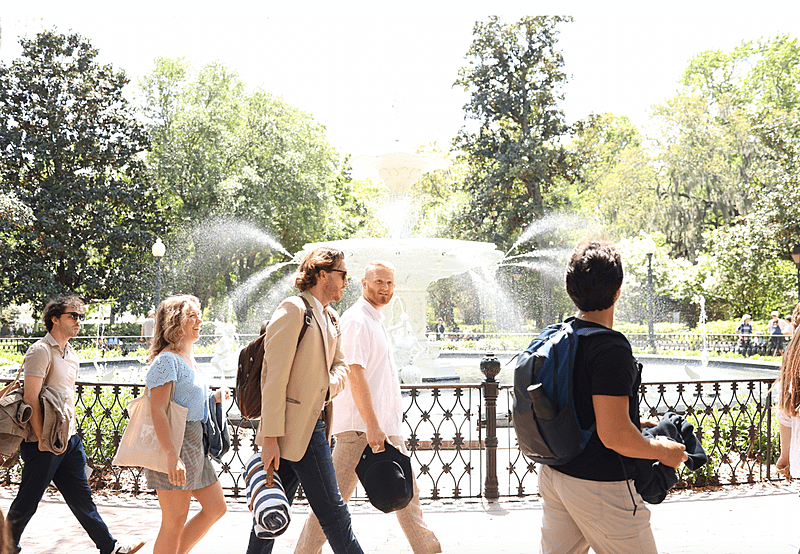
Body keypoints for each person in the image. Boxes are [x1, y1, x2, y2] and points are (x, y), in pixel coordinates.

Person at [538, 241, 687, 554]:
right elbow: (614, 435)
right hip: (600, 484)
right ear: (618, 290)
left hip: (555, 474)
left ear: (570, 288)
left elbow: (583, 408)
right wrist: (663, 451)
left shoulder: (562, 334)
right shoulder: (610, 348)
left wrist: (635, 421)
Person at [295, 261, 441, 554]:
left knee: (407, 500)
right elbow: (355, 372)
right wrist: (373, 427)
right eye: (378, 282)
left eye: (389, 284)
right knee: (331, 506)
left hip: (380, 428)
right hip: (363, 431)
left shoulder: (374, 319)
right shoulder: (357, 320)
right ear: (364, 283)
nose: (384, 289)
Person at [6, 295, 146, 554]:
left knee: (82, 497)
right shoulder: (40, 351)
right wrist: (42, 438)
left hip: (67, 440)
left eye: (80, 316)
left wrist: (65, 437)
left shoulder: (72, 355)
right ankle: (6, 545)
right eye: (73, 315)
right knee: (28, 500)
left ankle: (109, 546)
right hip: (43, 442)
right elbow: (31, 399)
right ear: (55, 319)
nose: (78, 321)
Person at [247, 246, 363, 554]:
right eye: (343, 275)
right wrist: (269, 437)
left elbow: (342, 365)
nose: (346, 282)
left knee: (269, 513)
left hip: (313, 425)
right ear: (322, 274)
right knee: (334, 514)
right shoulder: (293, 309)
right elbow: (273, 378)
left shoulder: (330, 317)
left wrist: (326, 387)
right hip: (296, 428)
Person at [145, 295, 227, 554]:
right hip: (176, 443)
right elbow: (157, 409)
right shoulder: (166, 360)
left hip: (195, 443)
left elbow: (184, 400)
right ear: (174, 323)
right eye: (191, 315)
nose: (199, 320)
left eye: (198, 314)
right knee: (173, 522)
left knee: (216, 508)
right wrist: (171, 455)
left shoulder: (186, 358)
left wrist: (213, 398)